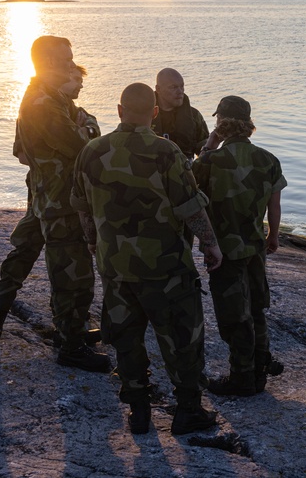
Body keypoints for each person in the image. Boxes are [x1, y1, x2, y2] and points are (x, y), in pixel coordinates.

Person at [72, 82, 223, 436]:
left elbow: (81, 206)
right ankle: (187, 411)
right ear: (154, 112)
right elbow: (190, 207)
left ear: (120, 110)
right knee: (182, 340)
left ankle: (139, 412)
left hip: (116, 267)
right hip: (166, 269)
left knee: (126, 339)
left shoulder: (91, 151)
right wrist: (211, 244)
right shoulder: (166, 152)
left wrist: (94, 244)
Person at [0, 41, 110, 373]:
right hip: (59, 201)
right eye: (66, 60)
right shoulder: (43, 105)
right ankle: (70, 345)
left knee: (24, 254)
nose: (72, 65)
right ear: (49, 62)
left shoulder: (44, 98)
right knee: (71, 271)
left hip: (45, 195)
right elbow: (82, 148)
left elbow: (20, 151)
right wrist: (88, 126)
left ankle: (0, 320)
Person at [192, 96, 287, 397]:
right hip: (255, 246)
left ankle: (242, 377)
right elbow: (274, 204)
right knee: (257, 306)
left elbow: (187, 189)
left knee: (234, 315)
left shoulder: (209, 161)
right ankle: (259, 367)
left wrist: (209, 144)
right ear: (248, 123)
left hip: (223, 251)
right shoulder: (268, 159)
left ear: (221, 124)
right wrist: (272, 236)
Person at [152, 68, 209, 158]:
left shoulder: (194, 115)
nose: (180, 92)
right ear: (158, 89)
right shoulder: (145, 115)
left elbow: (205, 149)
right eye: (173, 87)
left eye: (182, 86)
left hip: (185, 168)